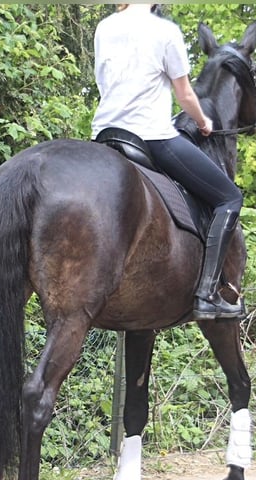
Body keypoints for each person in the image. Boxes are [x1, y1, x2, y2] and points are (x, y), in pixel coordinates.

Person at [91, 3, 243, 320]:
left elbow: (105, 83)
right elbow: (186, 95)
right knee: (229, 197)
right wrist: (203, 122)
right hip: (151, 136)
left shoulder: (105, 27)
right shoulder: (165, 31)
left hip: (106, 133)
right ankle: (207, 294)